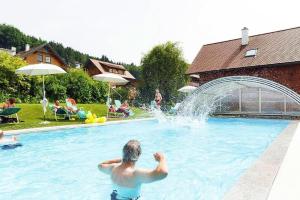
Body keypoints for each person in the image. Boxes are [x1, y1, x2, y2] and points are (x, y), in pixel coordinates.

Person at [98, 140, 168, 200]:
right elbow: (163, 173)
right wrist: (162, 159)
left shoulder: (112, 168)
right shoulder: (135, 174)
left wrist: (121, 160)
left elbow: (100, 165)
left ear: (123, 153)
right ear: (138, 155)